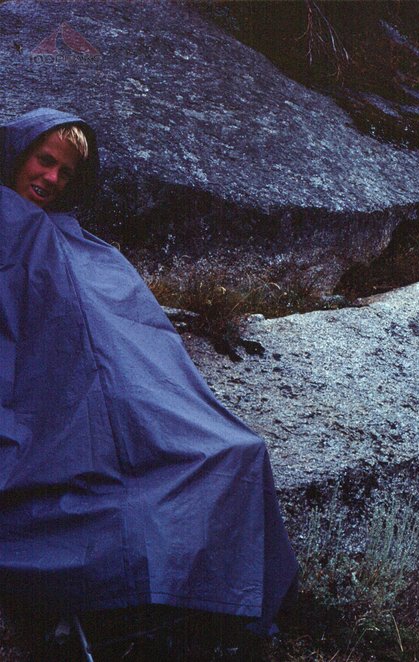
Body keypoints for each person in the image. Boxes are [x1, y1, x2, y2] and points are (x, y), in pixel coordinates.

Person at [0, 109, 298, 640]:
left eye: (65, 173)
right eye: (45, 161)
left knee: (236, 452)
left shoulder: (87, 246)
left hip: (131, 397)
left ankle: (219, 619)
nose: (50, 179)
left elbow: (141, 334)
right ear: (17, 153)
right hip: (49, 405)